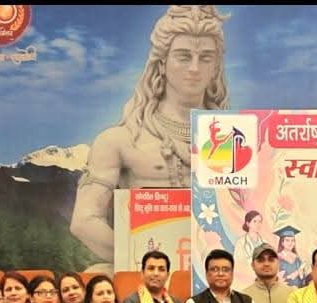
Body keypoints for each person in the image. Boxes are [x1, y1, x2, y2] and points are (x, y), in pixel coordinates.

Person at [70, 4, 229, 261]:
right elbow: (84, 221)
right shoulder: (119, 140)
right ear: (162, 63)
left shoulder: (234, 140)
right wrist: (143, 263)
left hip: (216, 273)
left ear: (216, 67)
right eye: (183, 56)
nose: (195, 68)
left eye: (206, 58)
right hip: (144, 273)